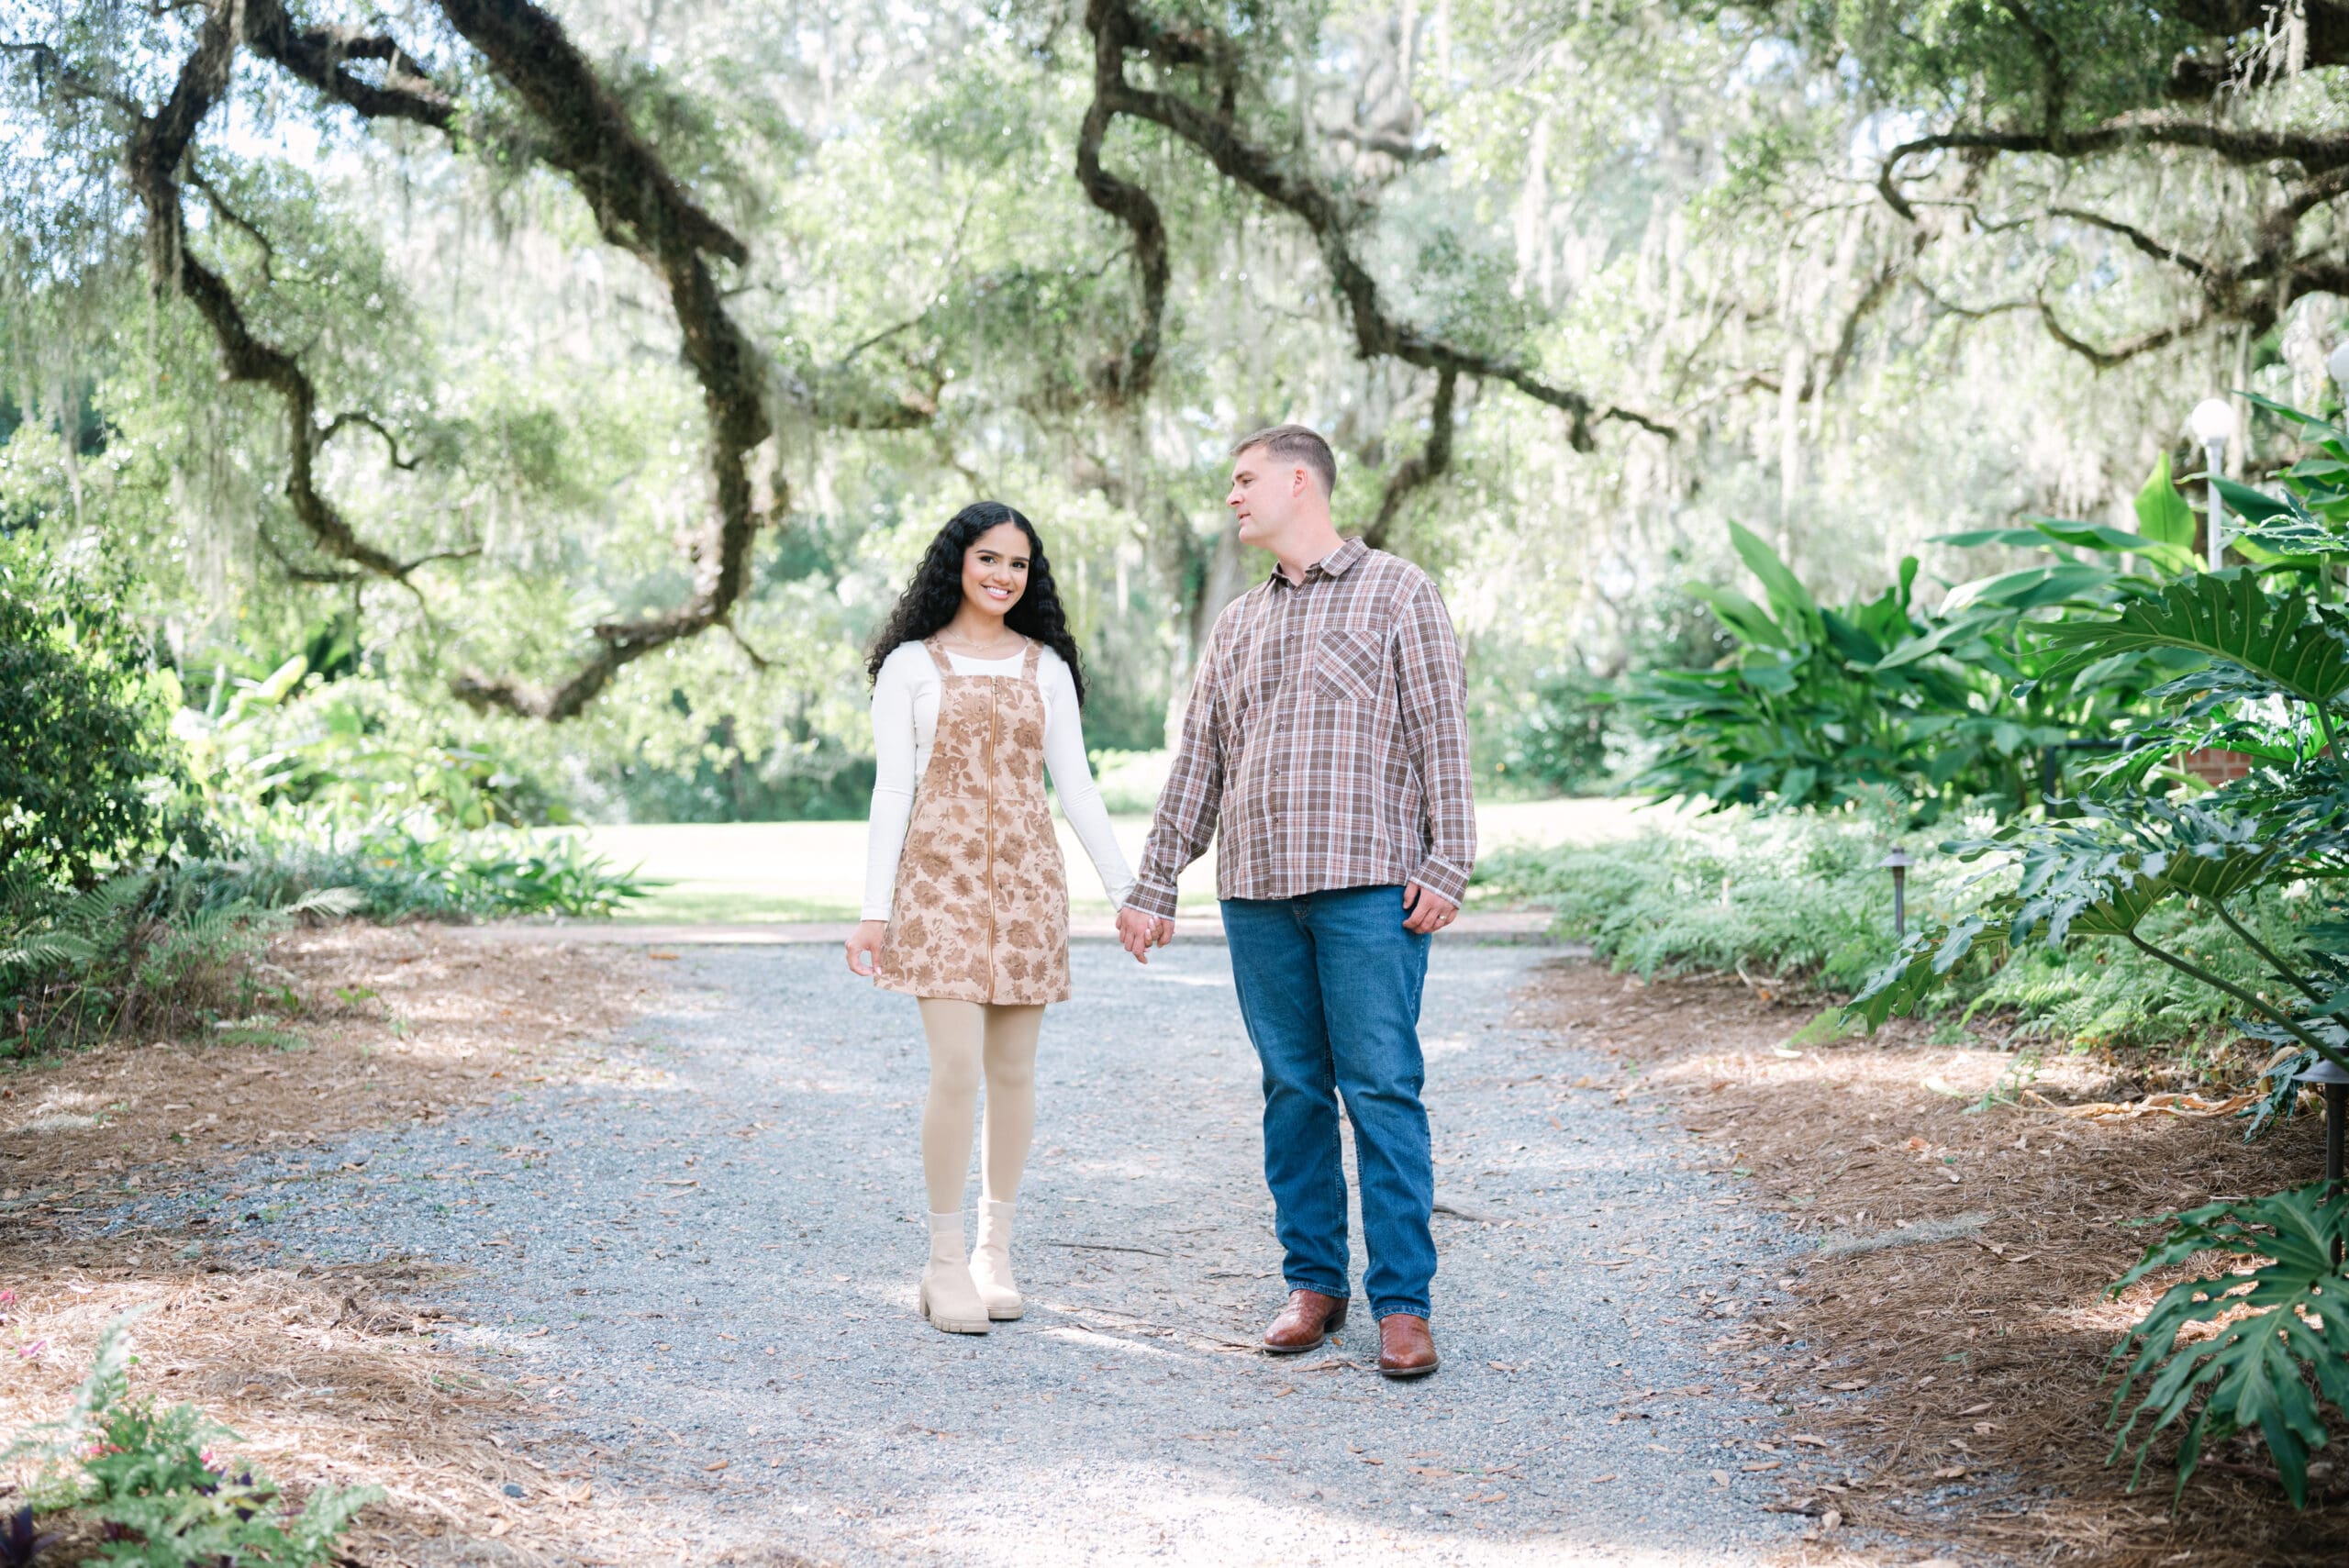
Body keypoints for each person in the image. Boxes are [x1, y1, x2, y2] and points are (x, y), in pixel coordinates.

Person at [1115, 425, 1474, 1379]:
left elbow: (1442, 731)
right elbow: (1200, 762)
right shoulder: (1237, 623)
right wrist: (1155, 881)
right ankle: (1313, 1283)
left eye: (1245, 479)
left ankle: (1402, 1302)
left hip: (1368, 888)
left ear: (1299, 481)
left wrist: (1448, 862)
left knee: (1382, 1087)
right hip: (1258, 892)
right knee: (1292, 1090)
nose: (1232, 496)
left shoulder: (1399, 590)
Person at [846, 501, 1135, 1336]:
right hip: (936, 889)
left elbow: (1075, 786)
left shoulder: (1045, 666)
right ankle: (941, 1262)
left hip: (1028, 888)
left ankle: (993, 1252)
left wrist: (1126, 891)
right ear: (957, 563)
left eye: (1018, 563)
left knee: (1014, 1073)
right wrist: (873, 913)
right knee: (956, 1070)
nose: (1003, 575)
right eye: (988, 558)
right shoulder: (910, 665)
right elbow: (891, 789)